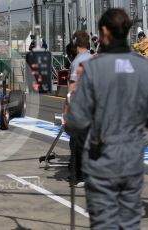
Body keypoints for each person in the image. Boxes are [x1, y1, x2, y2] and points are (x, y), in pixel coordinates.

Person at [64, 8, 148, 229]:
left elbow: (76, 122)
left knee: (104, 223)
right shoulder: (144, 68)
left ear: (104, 32)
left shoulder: (92, 68)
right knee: (130, 222)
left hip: (102, 160)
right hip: (132, 159)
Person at [65, 31, 92, 188]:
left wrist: (66, 110)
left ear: (75, 44)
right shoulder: (95, 58)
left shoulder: (77, 63)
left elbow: (72, 88)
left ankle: (79, 176)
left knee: (76, 142)